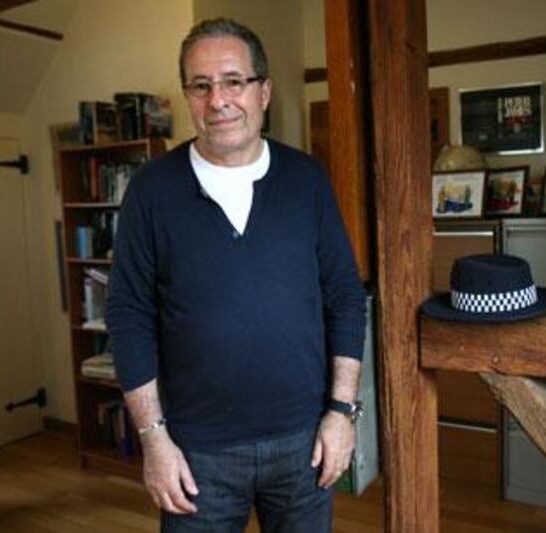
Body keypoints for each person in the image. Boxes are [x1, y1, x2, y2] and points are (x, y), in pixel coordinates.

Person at [106, 17, 367, 533]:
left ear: (264, 91)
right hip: (197, 453)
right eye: (200, 86)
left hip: (303, 444)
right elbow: (127, 314)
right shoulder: (151, 191)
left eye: (233, 81)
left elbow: (345, 296)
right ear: (187, 96)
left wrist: (342, 413)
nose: (218, 100)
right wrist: (154, 440)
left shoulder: (307, 179)